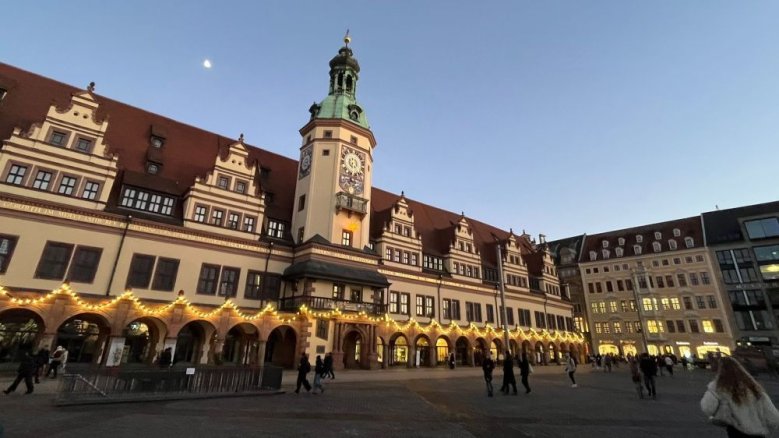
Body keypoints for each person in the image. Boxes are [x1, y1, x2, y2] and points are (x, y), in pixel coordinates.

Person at [701, 356, 779, 437]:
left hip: (736, 430)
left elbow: (707, 408)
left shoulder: (718, 388)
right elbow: (773, 416)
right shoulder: (753, 387)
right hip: (757, 433)